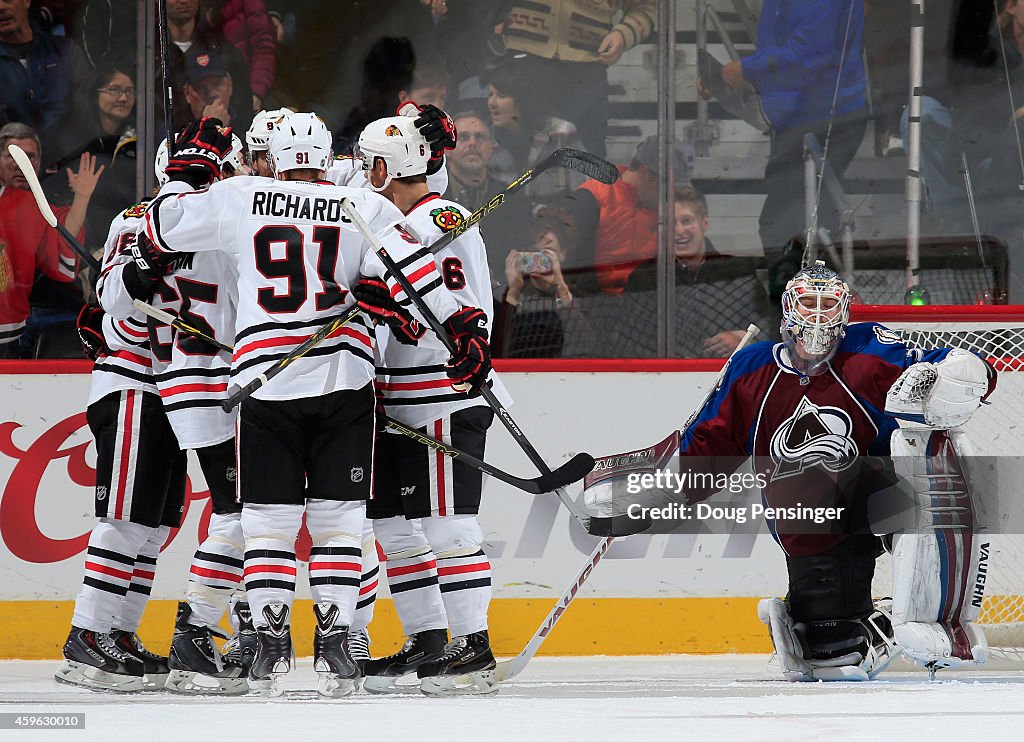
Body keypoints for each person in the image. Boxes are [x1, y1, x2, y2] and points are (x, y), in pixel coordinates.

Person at [141, 113, 492, 697]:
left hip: (265, 383)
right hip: (344, 381)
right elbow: (417, 270)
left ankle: (271, 647)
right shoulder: (363, 205)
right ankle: (335, 648)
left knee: (268, 525)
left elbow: (160, 227)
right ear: (327, 156)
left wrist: (186, 174)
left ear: (271, 157)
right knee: (339, 522)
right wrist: (464, 326)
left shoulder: (240, 194)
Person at [664, 262, 995, 681]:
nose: (818, 315)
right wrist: (655, 494)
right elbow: (704, 451)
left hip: (883, 488)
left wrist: (964, 375)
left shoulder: (870, 349)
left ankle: (941, 622)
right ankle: (827, 623)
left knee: (935, 490)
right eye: (808, 303)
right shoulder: (751, 369)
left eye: (828, 305)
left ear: (843, 312)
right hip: (807, 511)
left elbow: (947, 364)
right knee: (834, 653)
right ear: (788, 311)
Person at [352, 113, 509, 695]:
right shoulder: (392, 223)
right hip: (395, 398)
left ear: (385, 167)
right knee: (392, 525)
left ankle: (474, 646)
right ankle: (429, 638)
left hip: (444, 393)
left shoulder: (439, 219)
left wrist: (399, 307)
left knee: (448, 526)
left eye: (369, 163)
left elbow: (455, 308)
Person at [55, 147, 188, 693]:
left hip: (177, 393)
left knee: (154, 526)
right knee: (126, 517)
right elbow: (119, 304)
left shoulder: (214, 227)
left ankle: (119, 633)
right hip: (134, 384)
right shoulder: (139, 220)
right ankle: (88, 633)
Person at [700, 0, 868, 270]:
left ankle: (807, 300)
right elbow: (789, 55)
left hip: (826, 117)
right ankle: (812, 297)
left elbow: (809, 53)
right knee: (797, 219)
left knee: (787, 222)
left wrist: (745, 69)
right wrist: (729, 79)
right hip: (804, 116)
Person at [617, 187, 774, 357]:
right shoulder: (645, 278)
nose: (679, 231)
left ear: (704, 223)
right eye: (670, 223)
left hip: (731, 377)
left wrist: (743, 339)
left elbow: (772, 329)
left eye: (686, 221)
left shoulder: (737, 271)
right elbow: (628, 344)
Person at [493, 1, 657, 157]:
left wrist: (623, 34)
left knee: (588, 157)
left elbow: (646, 5)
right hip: (522, 54)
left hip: (586, 66)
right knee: (510, 151)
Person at [0, 122, 95, 357]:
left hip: (14, 326)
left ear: (39, 162)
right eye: (13, 155)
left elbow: (62, 241)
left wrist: (82, 198)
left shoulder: (33, 204)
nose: (20, 164)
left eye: (29, 156)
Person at [566, 134, 695, 295]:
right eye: (667, 187)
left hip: (649, 305)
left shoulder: (667, 209)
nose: (670, 196)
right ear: (644, 172)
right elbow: (572, 268)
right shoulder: (592, 198)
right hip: (597, 305)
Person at [483, 55, 587, 203]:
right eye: (490, 95)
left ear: (522, 99)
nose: (491, 103)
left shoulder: (561, 132)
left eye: (501, 96)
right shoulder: (486, 140)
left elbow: (583, 190)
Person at [493, 203, 590, 358]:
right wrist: (513, 291)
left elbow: (584, 342)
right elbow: (498, 347)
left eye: (547, 254)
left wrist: (561, 288)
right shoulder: (504, 294)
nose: (538, 261)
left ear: (563, 254)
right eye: (534, 253)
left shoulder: (579, 295)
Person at [442, 108, 529, 269]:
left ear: (491, 148)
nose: (473, 143)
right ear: (447, 149)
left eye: (480, 137)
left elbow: (520, 253)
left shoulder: (512, 198)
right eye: (463, 137)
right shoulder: (431, 196)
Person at [0, 0, 89, 153]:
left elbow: (88, 111)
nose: (1, 7)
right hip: (11, 164)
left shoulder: (65, 51)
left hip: (66, 161)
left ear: (26, 1)